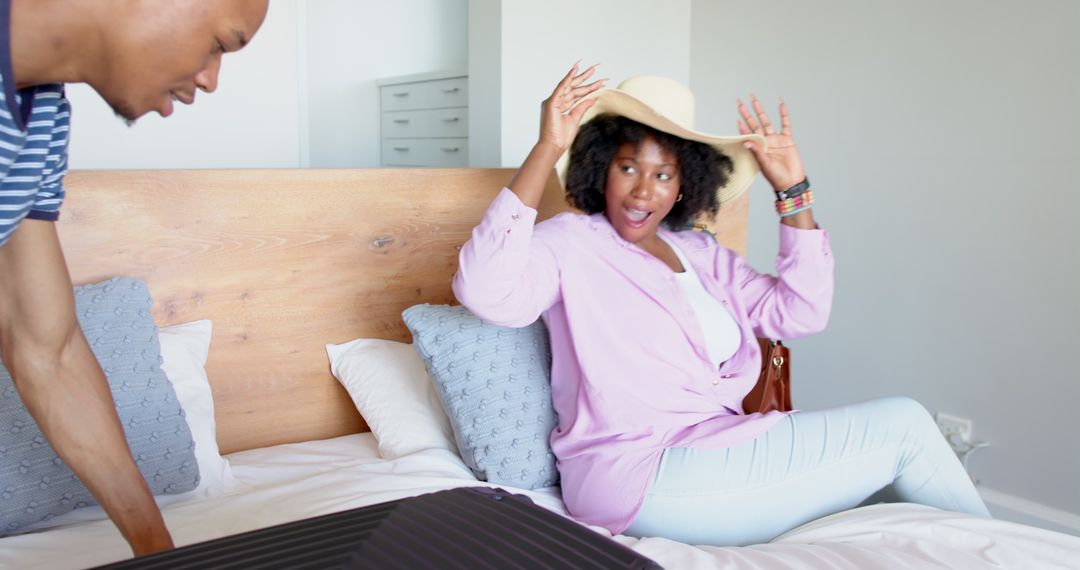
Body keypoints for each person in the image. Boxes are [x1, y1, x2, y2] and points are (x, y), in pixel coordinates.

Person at [453, 63, 990, 546]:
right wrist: (545, 149)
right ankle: (1006, 553)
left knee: (900, 503)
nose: (644, 191)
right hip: (637, 472)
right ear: (600, 169)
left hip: (715, 447)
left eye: (663, 174)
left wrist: (793, 193)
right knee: (906, 428)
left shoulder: (701, 253)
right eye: (628, 168)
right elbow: (484, 291)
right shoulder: (572, 240)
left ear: (685, 186)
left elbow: (800, 314)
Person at [0, 0, 269, 555]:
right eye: (220, 43)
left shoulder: (42, 111)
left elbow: (47, 348)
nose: (211, 80)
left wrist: (156, 552)